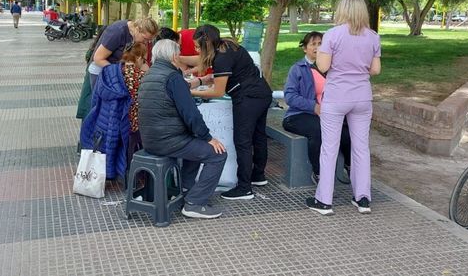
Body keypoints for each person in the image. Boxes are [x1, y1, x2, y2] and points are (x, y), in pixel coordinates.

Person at [307, 0, 381, 216]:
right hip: (362, 97)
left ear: (342, 10)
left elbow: (323, 66)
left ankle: (324, 200)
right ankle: (363, 198)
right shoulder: (373, 37)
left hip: (337, 96)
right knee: (361, 148)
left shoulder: (333, 35)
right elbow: (375, 69)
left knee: (329, 148)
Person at [138, 39, 226, 219]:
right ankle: (195, 203)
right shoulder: (172, 77)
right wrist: (208, 138)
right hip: (168, 141)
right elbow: (190, 114)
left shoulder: (149, 74)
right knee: (217, 154)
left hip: (149, 139)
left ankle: (186, 190)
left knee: (195, 143)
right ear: (173, 57)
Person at [187, 24, 272, 201]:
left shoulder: (221, 59)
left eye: (197, 47)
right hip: (262, 92)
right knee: (258, 136)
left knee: (242, 141)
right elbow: (207, 64)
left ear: (207, 44)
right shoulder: (227, 45)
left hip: (248, 98)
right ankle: (258, 176)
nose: (196, 50)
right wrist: (187, 67)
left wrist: (190, 92)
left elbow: (218, 92)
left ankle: (244, 188)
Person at [283, 31, 352, 184]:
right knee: (319, 130)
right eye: (313, 44)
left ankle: (349, 166)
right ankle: (319, 173)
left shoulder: (332, 68)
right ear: (305, 48)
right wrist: (313, 107)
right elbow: (290, 96)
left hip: (329, 114)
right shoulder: (298, 69)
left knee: (348, 133)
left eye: (320, 44)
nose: (317, 47)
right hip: (298, 115)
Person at [80, 42, 148, 182]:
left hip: (105, 121)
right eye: (145, 59)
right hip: (128, 124)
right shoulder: (141, 77)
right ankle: (137, 174)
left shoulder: (108, 72)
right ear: (139, 58)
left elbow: (95, 99)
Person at [86, 17, 158, 91]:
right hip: (101, 72)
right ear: (137, 29)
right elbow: (98, 58)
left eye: (149, 40)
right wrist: (119, 72)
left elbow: (142, 61)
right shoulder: (118, 31)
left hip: (116, 71)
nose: (146, 42)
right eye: (145, 39)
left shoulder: (136, 35)